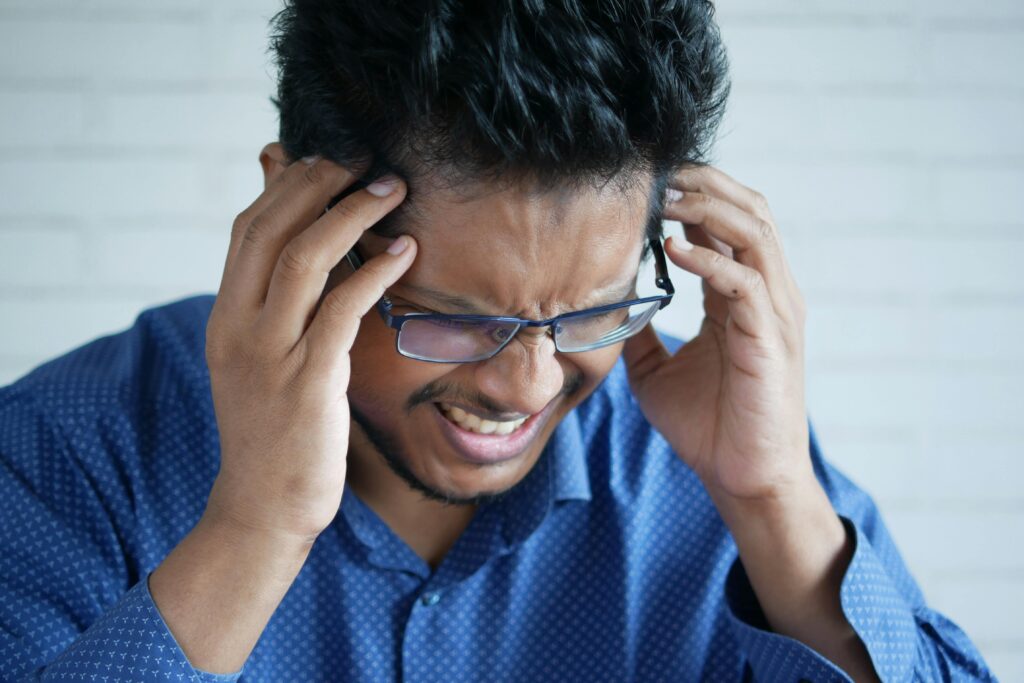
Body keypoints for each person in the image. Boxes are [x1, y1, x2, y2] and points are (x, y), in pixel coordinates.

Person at [0, 1, 996, 681]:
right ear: (298, 215)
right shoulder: (66, 450)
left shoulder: (714, 452)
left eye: (588, 312)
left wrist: (773, 500)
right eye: (456, 315)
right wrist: (254, 528)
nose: (523, 385)